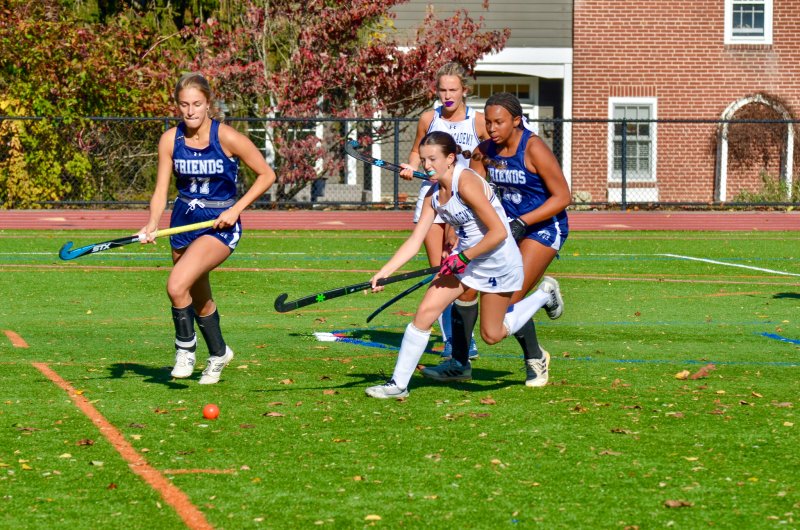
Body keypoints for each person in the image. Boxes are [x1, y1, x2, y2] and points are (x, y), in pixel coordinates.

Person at [364, 131, 563, 399]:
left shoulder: (466, 183)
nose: (427, 165)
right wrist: (384, 273)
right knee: (424, 314)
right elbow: (414, 241)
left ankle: (543, 296)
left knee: (492, 334)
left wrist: (463, 257)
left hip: (498, 261)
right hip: (466, 259)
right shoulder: (433, 194)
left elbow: (498, 233)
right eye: (423, 160)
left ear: (450, 158)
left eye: (433, 159)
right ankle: (398, 385)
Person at [421, 92, 570, 388]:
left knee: (508, 299)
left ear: (516, 121)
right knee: (465, 291)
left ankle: (535, 357)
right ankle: (459, 364)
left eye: (498, 122)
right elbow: (465, 191)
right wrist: (453, 231)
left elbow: (563, 197)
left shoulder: (534, 148)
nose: (491, 128)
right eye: (488, 122)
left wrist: (523, 221)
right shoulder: (484, 151)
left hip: (542, 228)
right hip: (502, 228)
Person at [139, 72, 276, 384]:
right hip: (183, 222)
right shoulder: (170, 140)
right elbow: (160, 191)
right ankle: (219, 353)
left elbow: (267, 175)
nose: (190, 111)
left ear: (208, 104)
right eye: (184, 104)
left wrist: (236, 209)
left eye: (197, 104)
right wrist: (152, 222)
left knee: (176, 286)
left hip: (218, 224)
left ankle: (185, 349)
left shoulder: (226, 137)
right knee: (198, 297)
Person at [399, 62, 488, 361]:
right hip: (433, 199)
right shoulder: (429, 117)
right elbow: (417, 150)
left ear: (464, 90)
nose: (447, 95)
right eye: (442, 90)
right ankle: (453, 341)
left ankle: (465, 337)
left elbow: (487, 159)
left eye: (453, 89)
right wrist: (411, 167)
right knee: (441, 273)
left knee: (460, 273)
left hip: (464, 203)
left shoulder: (478, 122)